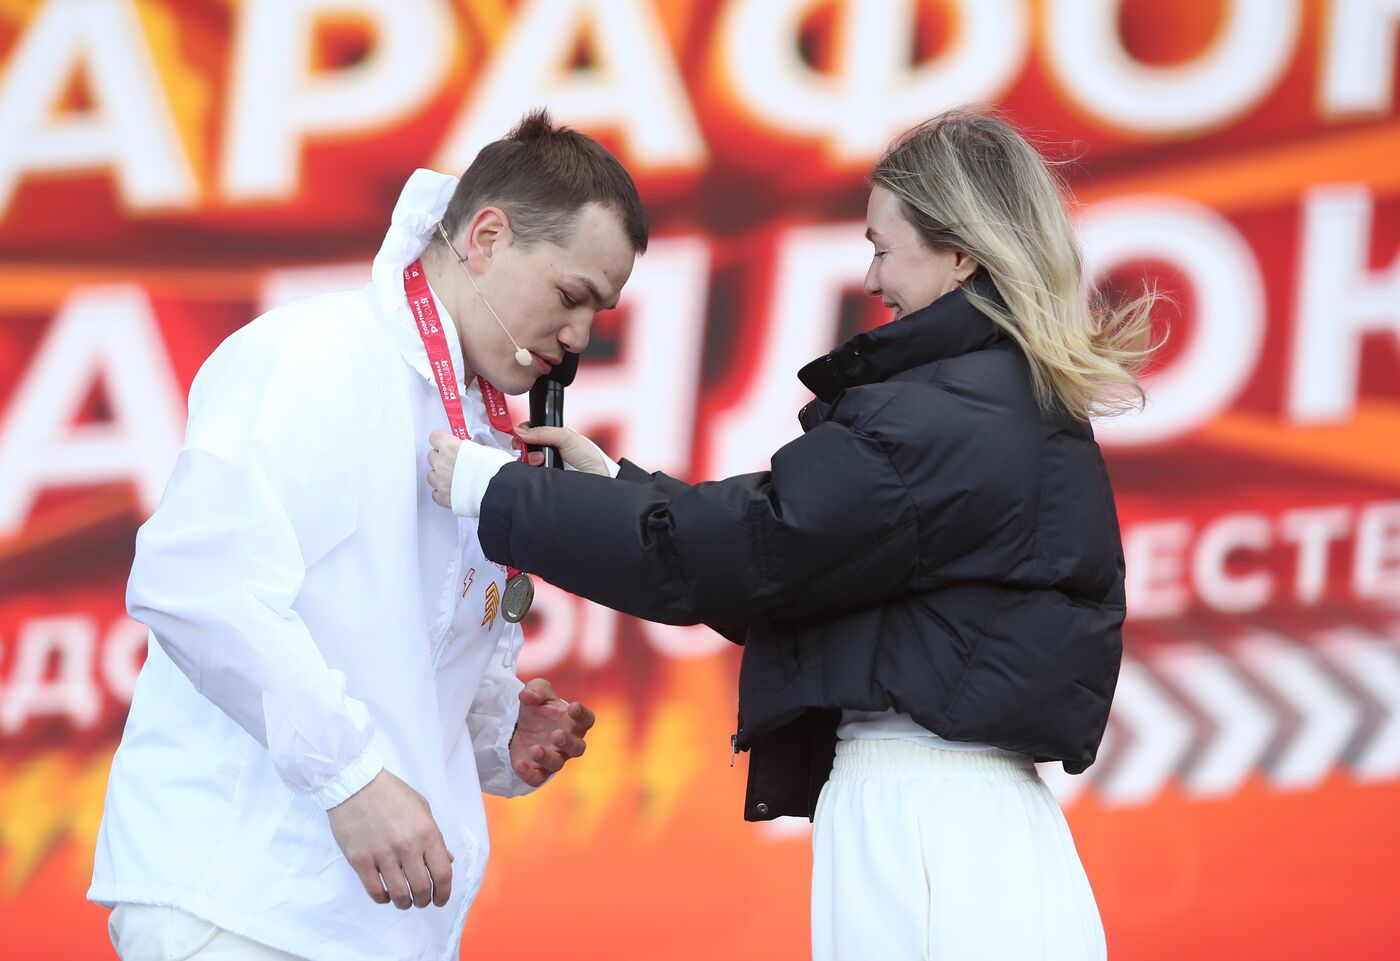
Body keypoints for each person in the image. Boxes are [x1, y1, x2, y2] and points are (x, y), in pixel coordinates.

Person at [429, 109, 1157, 960]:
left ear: (960, 252)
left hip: (927, 825)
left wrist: (494, 490)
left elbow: (752, 553)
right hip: (963, 824)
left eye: (884, 247)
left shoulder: (945, 415)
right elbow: (802, 568)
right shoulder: (992, 401)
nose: (874, 276)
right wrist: (613, 491)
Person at [90, 110, 647, 961]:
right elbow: (198, 587)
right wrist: (347, 777)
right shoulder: (316, 354)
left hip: (373, 923)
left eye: (598, 312)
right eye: (572, 297)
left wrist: (495, 724)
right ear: (488, 237)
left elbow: (388, 651)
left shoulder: (484, 422)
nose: (578, 339)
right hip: (243, 901)